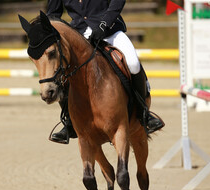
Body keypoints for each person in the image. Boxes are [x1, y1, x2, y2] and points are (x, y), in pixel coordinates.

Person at [47, 0, 165, 144]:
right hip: (78, 33)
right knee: (63, 72)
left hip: (110, 30)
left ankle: (144, 114)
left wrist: (103, 24)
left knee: (133, 63)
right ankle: (69, 122)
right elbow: (53, 14)